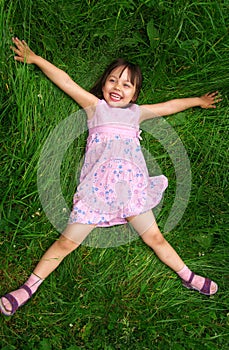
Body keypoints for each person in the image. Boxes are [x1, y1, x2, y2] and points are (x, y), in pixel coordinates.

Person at [0, 37, 220, 316]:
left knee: (157, 239)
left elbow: (170, 105)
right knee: (67, 242)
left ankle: (188, 276)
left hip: (131, 192)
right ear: (104, 84)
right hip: (97, 193)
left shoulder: (137, 114)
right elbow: (66, 82)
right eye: (113, 80)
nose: (118, 87)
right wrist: (35, 59)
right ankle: (28, 287)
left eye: (127, 84)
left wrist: (198, 101)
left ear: (135, 95)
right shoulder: (95, 108)